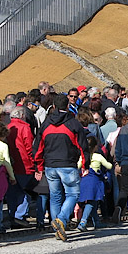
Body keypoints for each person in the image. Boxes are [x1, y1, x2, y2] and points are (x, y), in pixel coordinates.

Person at [35, 94, 85, 242]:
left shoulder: (45, 124)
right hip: (68, 164)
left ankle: (57, 226)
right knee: (73, 194)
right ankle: (61, 220)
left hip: (50, 165)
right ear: (68, 106)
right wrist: (85, 164)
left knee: (55, 196)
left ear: (54, 107)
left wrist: (38, 165)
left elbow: (38, 147)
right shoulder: (74, 124)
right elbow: (82, 146)